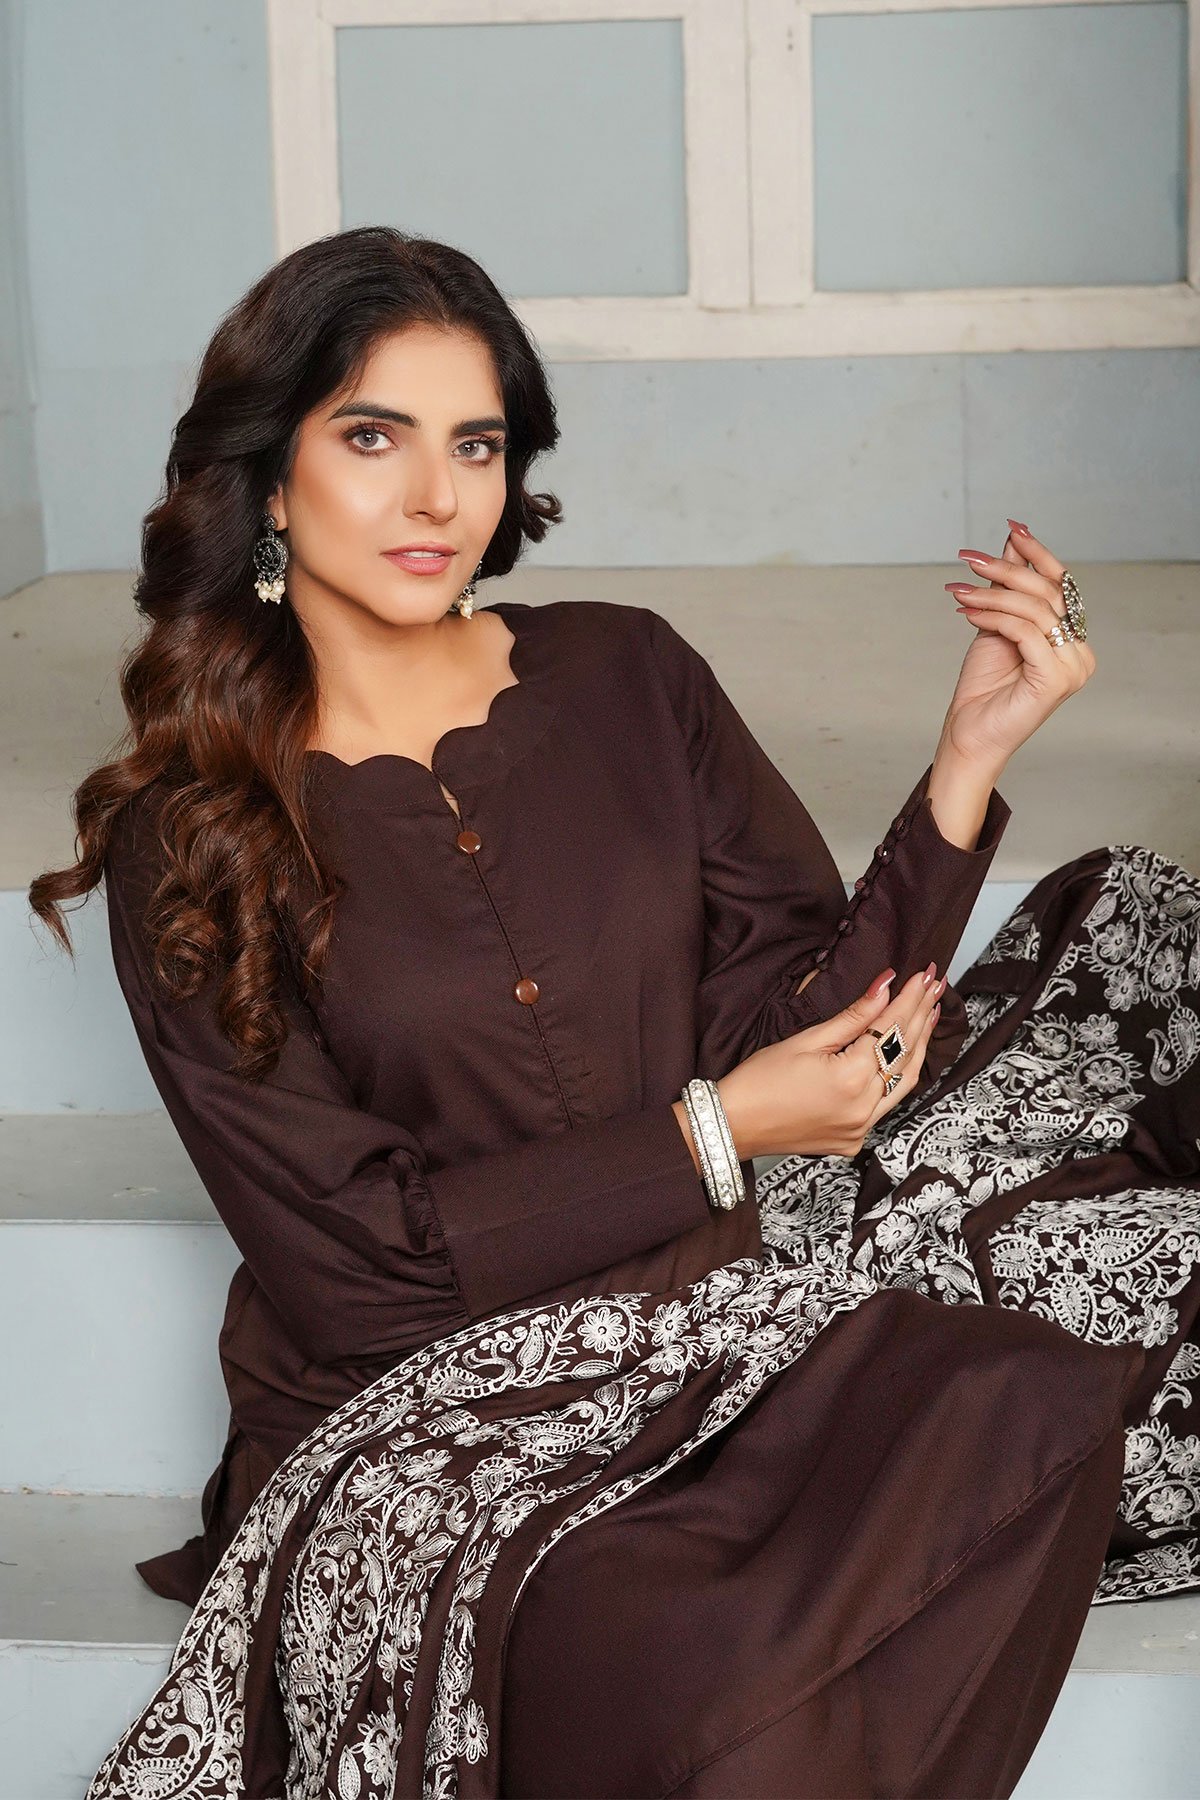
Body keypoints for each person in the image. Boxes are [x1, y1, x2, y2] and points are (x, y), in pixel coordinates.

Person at [29, 227, 1197, 1799]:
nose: (436, 497)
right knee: (695, 1656)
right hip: (425, 1406)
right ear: (273, 480)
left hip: (712, 1327)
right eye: (372, 438)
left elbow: (802, 1029)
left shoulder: (628, 675)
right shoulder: (193, 833)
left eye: (475, 445)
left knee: (1036, 1397)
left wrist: (966, 765)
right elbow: (362, 1274)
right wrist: (714, 1137)